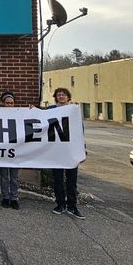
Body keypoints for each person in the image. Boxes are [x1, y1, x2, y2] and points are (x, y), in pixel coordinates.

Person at [48, 87, 85, 219]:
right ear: (56, 97)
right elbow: (38, 117)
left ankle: (72, 206)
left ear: (68, 97)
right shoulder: (50, 110)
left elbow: (80, 131)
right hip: (56, 150)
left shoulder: (73, 110)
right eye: (59, 94)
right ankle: (60, 204)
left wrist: (82, 149)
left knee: (71, 179)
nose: (61, 96)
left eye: (64, 94)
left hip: (71, 150)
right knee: (57, 179)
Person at [0, 91, 20, 209]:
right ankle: (5, 197)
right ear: (3, 103)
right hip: (2, 150)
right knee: (4, 176)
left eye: (11, 103)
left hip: (16, 150)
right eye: (7, 103)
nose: (9, 105)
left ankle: (14, 198)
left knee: (14, 176)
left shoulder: (20, 114)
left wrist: (32, 109)